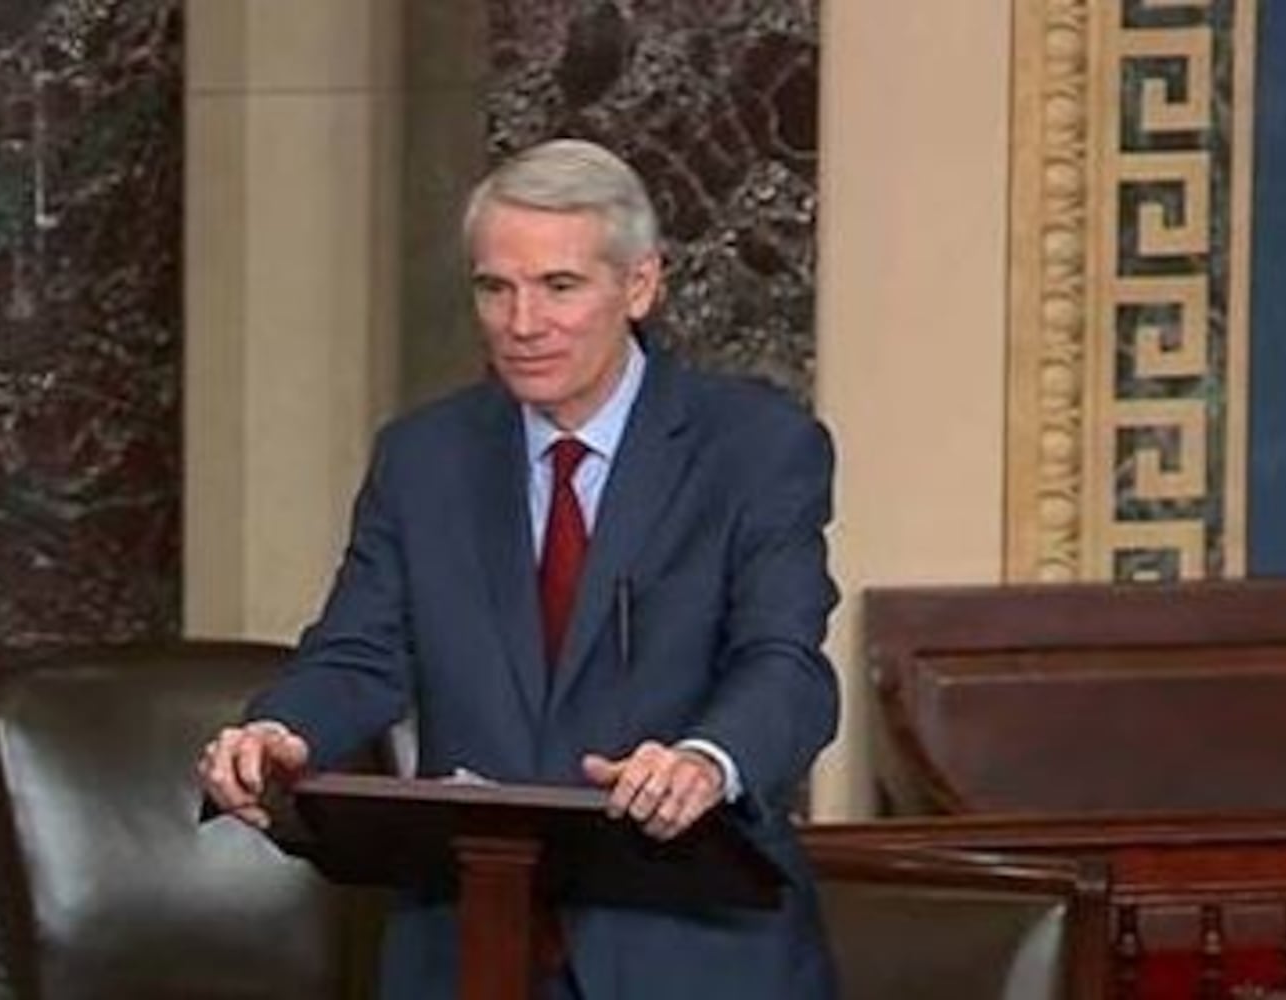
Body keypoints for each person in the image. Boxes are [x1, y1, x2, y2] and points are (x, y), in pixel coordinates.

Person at [197, 138, 841, 1000]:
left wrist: (704, 758)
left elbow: (786, 666)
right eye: (494, 288)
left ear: (639, 285)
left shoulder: (755, 448)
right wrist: (282, 731)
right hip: (469, 940)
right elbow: (357, 654)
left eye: (558, 287)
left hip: (688, 948)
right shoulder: (424, 457)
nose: (522, 323)